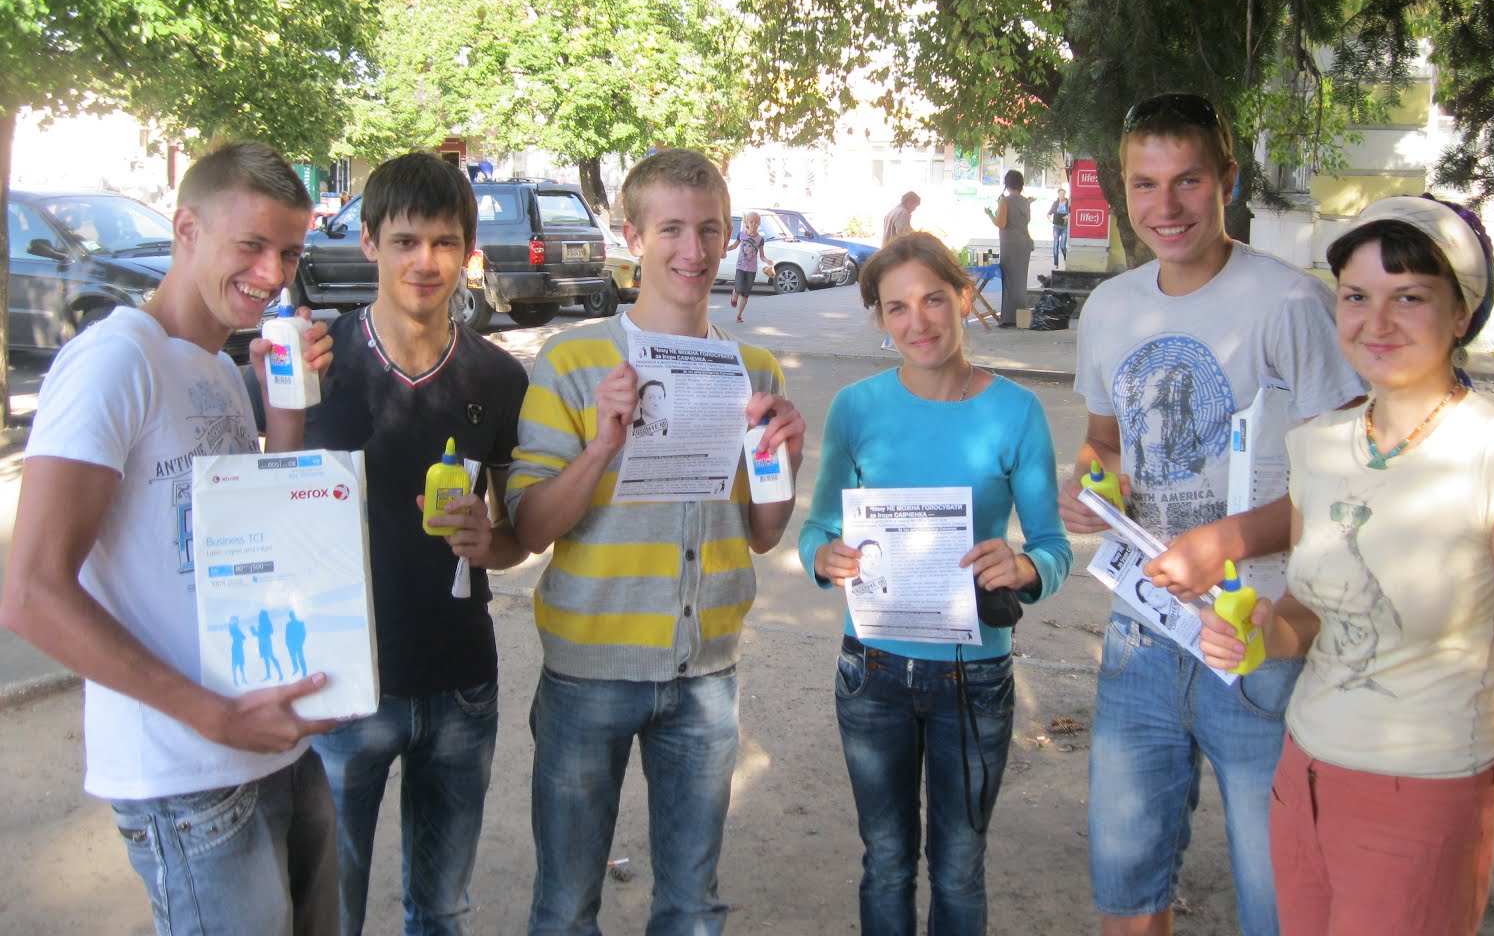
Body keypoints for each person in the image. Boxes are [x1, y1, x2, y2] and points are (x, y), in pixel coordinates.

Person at [1198, 196, 1494, 936]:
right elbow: (1311, 615)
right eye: (1356, 297)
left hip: (1423, 801)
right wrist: (1260, 633)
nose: (1376, 323)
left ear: (1461, 314)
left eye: (1408, 297)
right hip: (1301, 779)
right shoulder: (1318, 445)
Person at [0, 140, 341, 936]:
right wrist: (213, 717)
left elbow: (260, 545)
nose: (272, 273)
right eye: (251, 245)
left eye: (289, 252)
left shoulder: (215, 369)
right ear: (187, 229)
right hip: (189, 776)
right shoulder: (113, 362)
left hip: (277, 747)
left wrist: (284, 410)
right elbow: (30, 592)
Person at [1061, 94, 1365, 936]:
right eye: (1145, 183)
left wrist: (1223, 542)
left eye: (1188, 180)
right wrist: (1092, 485)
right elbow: (1104, 441)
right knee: (1127, 891)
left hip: (1259, 636)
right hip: (1141, 633)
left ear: (1227, 179)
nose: (1166, 206)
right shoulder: (1110, 307)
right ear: (1123, 189)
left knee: (1279, 897)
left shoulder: (1290, 304)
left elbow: (1347, 489)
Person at [508, 148, 806, 936]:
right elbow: (529, 526)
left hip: (705, 674)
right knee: (566, 906)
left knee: (692, 907)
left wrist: (786, 460)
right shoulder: (573, 360)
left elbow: (763, 534)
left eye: (709, 229)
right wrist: (601, 448)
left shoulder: (755, 369)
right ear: (632, 236)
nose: (693, 250)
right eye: (671, 228)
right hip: (588, 673)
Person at [282, 151, 529, 936]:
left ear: (468, 251)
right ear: (368, 242)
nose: (426, 262)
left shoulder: (497, 379)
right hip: (342, 687)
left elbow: (515, 539)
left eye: (445, 242)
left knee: (441, 909)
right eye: (405, 241)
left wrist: (493, 541)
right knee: (330, 910)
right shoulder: (313, 366)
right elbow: (263, 511)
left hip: (461, 683)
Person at [799, 231, 1072, 935]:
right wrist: (824, 559)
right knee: (887, 861)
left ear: (964, 296)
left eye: (932, 300)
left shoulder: (1016, 411)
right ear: (880, 318)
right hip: (873, 673)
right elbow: (818, 527)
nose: (917, 322)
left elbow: (1051, 546)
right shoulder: (855, 408)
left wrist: (1026, 569)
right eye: (897, 307)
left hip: (972, 677)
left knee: (958, 867)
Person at [984, 170, 1033, 327]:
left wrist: (989, 214)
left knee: (1010, 280)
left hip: (1010, 243)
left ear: (1007, 184)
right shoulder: (1025, 201)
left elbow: (1001, 224)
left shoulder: (1005, 201)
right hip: (1024, 242)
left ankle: (1009, 318)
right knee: (1020, 281)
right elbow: (1026, 222)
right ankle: (1021, 316)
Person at [726, 210, 774, 323]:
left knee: (746, 294)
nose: (754, 224)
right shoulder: (741, 235)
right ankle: (734, 293)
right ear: (747, 222)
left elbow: (762, 256)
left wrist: (767, 261)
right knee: (739, 289)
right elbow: (733, 246)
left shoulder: (760, 239)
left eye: (756, 222)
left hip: (752, 269)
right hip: (740, 266)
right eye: (751, 222)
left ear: (759, 223)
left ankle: (739, 315)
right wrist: (723, 250)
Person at [1049, 186, 1071, 268]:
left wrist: (1068, 216)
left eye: (1063, 194)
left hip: (1064, 227)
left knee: (1062, 246)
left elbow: (1072, 212)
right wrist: (1049, 218)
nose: (1062, 196)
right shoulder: (1055, 203)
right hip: (1056, 226)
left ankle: (1066, 258)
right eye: (1060, 194)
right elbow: (1049, 213)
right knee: (1056, 245)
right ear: (1058, 195)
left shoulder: (1068, 203)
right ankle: (1056, 264)